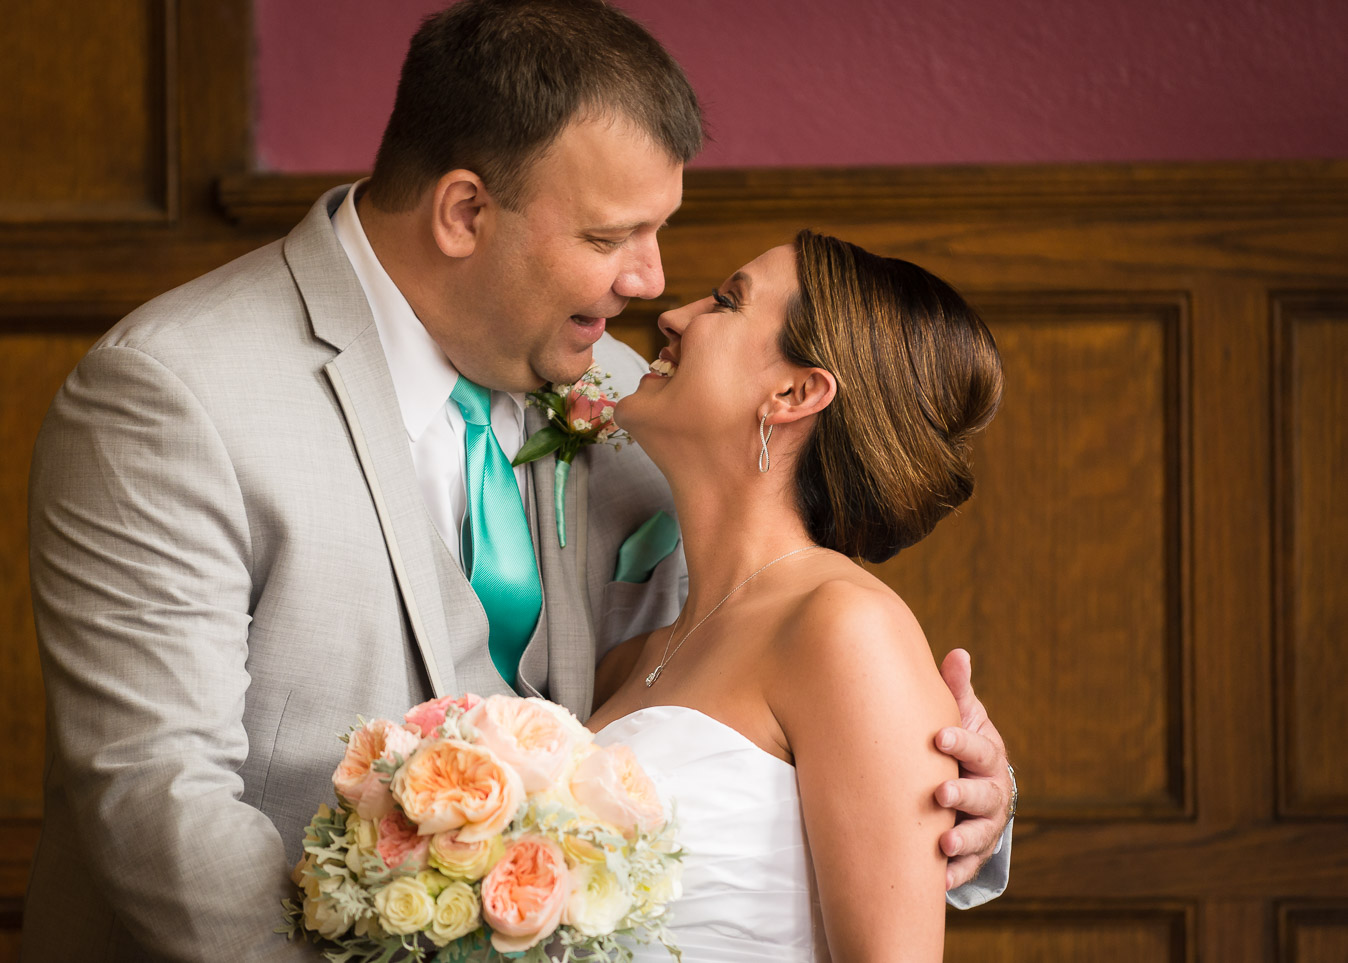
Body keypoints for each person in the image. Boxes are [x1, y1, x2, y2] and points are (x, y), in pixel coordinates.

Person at [21, 2, 1011, 960]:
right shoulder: (174, 393)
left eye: (659, 230)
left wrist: (961, 797)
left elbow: (788, 739)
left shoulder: (631, 400)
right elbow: (157, 800)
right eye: (606, 236)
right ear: (464, 211)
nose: (650, 285)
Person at [587, 230, 1004, 961]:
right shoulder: (630, 661)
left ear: (794, 392)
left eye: (725, 302)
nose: (673, 315)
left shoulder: (848, 627)